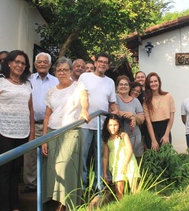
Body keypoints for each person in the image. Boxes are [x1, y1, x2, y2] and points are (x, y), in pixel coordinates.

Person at [0, 50, 35, 211]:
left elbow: (30, 109)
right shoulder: (0, 81)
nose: (20, 65)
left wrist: (32, 133)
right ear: (9, 63)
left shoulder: (27, 83)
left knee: (15, 170)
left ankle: (14, 206)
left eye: (23, 63)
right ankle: (3, 207)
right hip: (3, 131)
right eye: (17, 62)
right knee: (4, 171)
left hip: (22, 132)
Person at [42, 57, 91, 211]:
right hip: (52, 132)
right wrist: (44, 139)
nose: (62, 72)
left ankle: (65, 204)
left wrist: (84, 110)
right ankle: (54, 201)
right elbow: (47, 116)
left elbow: (84, 101)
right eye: (59, 70)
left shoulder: (78, 86)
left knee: (66, 169)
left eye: (65, 69)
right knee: (53, 169)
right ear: (55, 72)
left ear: (71, 71)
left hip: (70, 132)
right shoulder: (51, 91)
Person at [78, 52, 119, 189]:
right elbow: (81, 96)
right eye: (100, 61)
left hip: (102, 125)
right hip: (85, 124)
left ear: (108, 66)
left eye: (105, 63)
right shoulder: (85, 77)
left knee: (101, 156)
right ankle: (82, 186)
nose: (102, 64)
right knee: (82, 156)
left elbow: (112, 103)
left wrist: (117, 112)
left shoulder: (110, 82)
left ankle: (98, 185)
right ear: (95, 63)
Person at [22, 52, 58, 194]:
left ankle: (47, 184)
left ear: (49, 65)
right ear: (35, 64)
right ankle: (31, 184)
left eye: (45, 62)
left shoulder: (56, 81)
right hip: (31, 123)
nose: (42, 64)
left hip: (51, 124)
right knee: (30, 155)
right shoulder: (28, 80)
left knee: (49, 153)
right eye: (39, 62)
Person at [102, 114, 140, 200]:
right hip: (116, 165)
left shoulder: (123, 135)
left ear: (119, 125)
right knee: (119, 188)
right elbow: (105, 157)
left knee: (134, 187)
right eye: (110, 125)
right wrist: (104, 172)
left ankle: (139, 204)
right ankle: (121, 206)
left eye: (115, 125)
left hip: (129, 162)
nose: (113, 127)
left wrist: (125, 165)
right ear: (106, 126)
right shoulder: (106, 140)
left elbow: (130, 150)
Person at [143, 72, 175, 151]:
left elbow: (171, 117)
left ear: (159, 82)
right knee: (154, 158)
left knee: (166, 157)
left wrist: (166, 135)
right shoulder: (146, 101)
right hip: (152, 131)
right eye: (151, 82)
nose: (153, 83)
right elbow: (148, 122)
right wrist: (153, 140)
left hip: (165, 129)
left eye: (155, 81)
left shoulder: (168, 96)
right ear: (148, 84)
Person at [116, 75, 145, 162]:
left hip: (134, 135)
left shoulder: (135, 101)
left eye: (126, 84)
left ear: (129, 87)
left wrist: (133, 115)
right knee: (121, 160)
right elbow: (115, 111)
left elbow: (142, 118)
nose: (123, 86)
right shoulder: (114, 97)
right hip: (118, 135)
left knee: (136, 160)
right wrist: (128, 115)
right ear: (117, 87)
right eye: (121, 84)